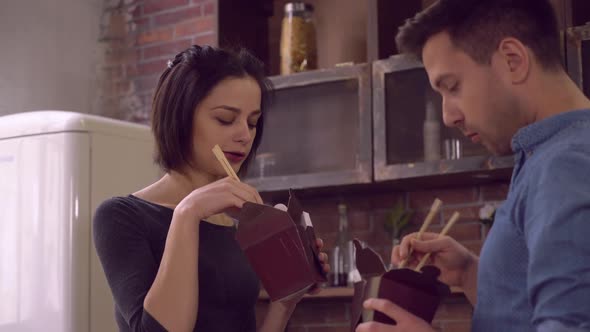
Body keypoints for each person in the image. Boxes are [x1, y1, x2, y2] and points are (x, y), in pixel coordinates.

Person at [357, 1, 590, 331]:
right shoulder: (548, 153)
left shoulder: (566, 166)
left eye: (452, 87)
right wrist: (469, 273)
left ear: (513, 60)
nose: (448, 116)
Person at [93, 45, 329, 332]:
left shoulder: (240, 224)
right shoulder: (121, 216)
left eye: (252, 123)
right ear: (180, 117)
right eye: (225, 119)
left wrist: (286, 300)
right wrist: (188, 213)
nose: (244, 135)